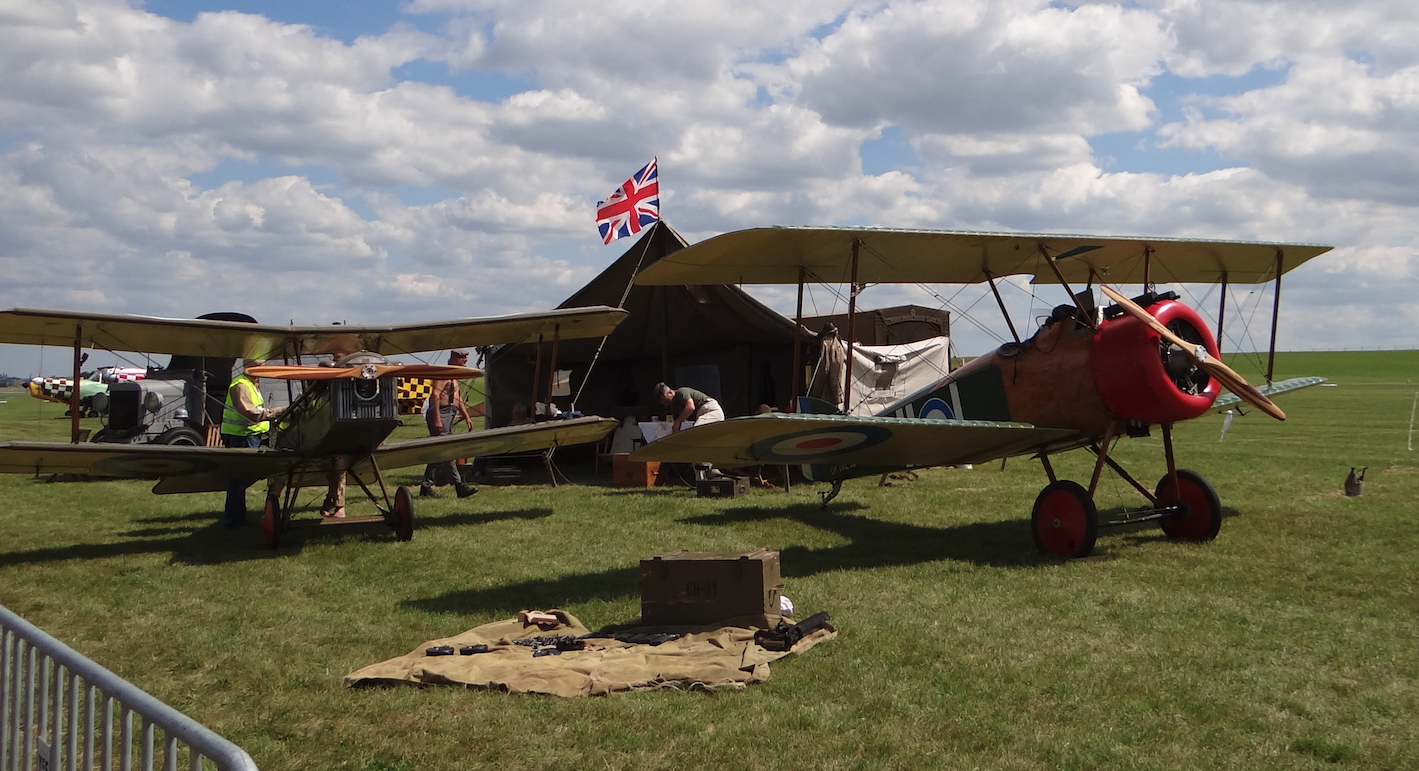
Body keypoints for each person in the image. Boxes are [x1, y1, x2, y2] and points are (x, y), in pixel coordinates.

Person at [219, 359, 286, 527]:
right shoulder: (241, 385)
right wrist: (279, 411)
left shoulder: (251, 384)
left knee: (242, 477)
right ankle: (234, 519)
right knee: (239, 478)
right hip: (242, 436)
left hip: (252, 434)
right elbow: (250, 413)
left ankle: (237, 516)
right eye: (259, 366)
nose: (263, 369)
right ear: (249, 367)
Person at [420, 350, 478, 499]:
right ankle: (459, 486)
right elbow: (435, 395)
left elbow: (457, 400)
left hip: (450, 413)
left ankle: (426, 486)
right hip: (440, 412)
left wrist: (466, 417)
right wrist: (437, 419)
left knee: (439, 452)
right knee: (447, 450)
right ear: (454, 359)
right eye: (463, 360)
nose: (465, 363)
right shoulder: (443, 374)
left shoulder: (454, 377)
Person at [655, 382, 726, 481]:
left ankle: (709, 468)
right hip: (702, 416)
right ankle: (700, 481)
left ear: (670, 392)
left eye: (665, 400)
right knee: (692, 446)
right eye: (663, 403)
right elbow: (677, 428)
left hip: (711, 410)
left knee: (695, 433)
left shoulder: (681, 392)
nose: (666, 404)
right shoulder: (674, 407)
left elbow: (690, 407)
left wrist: (678, 421)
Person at [809, 323, 847, 409]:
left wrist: (816, 392)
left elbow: (829, 369)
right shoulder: (832, 345)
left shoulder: (832, 346)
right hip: (825, 391)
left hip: (826, 392)